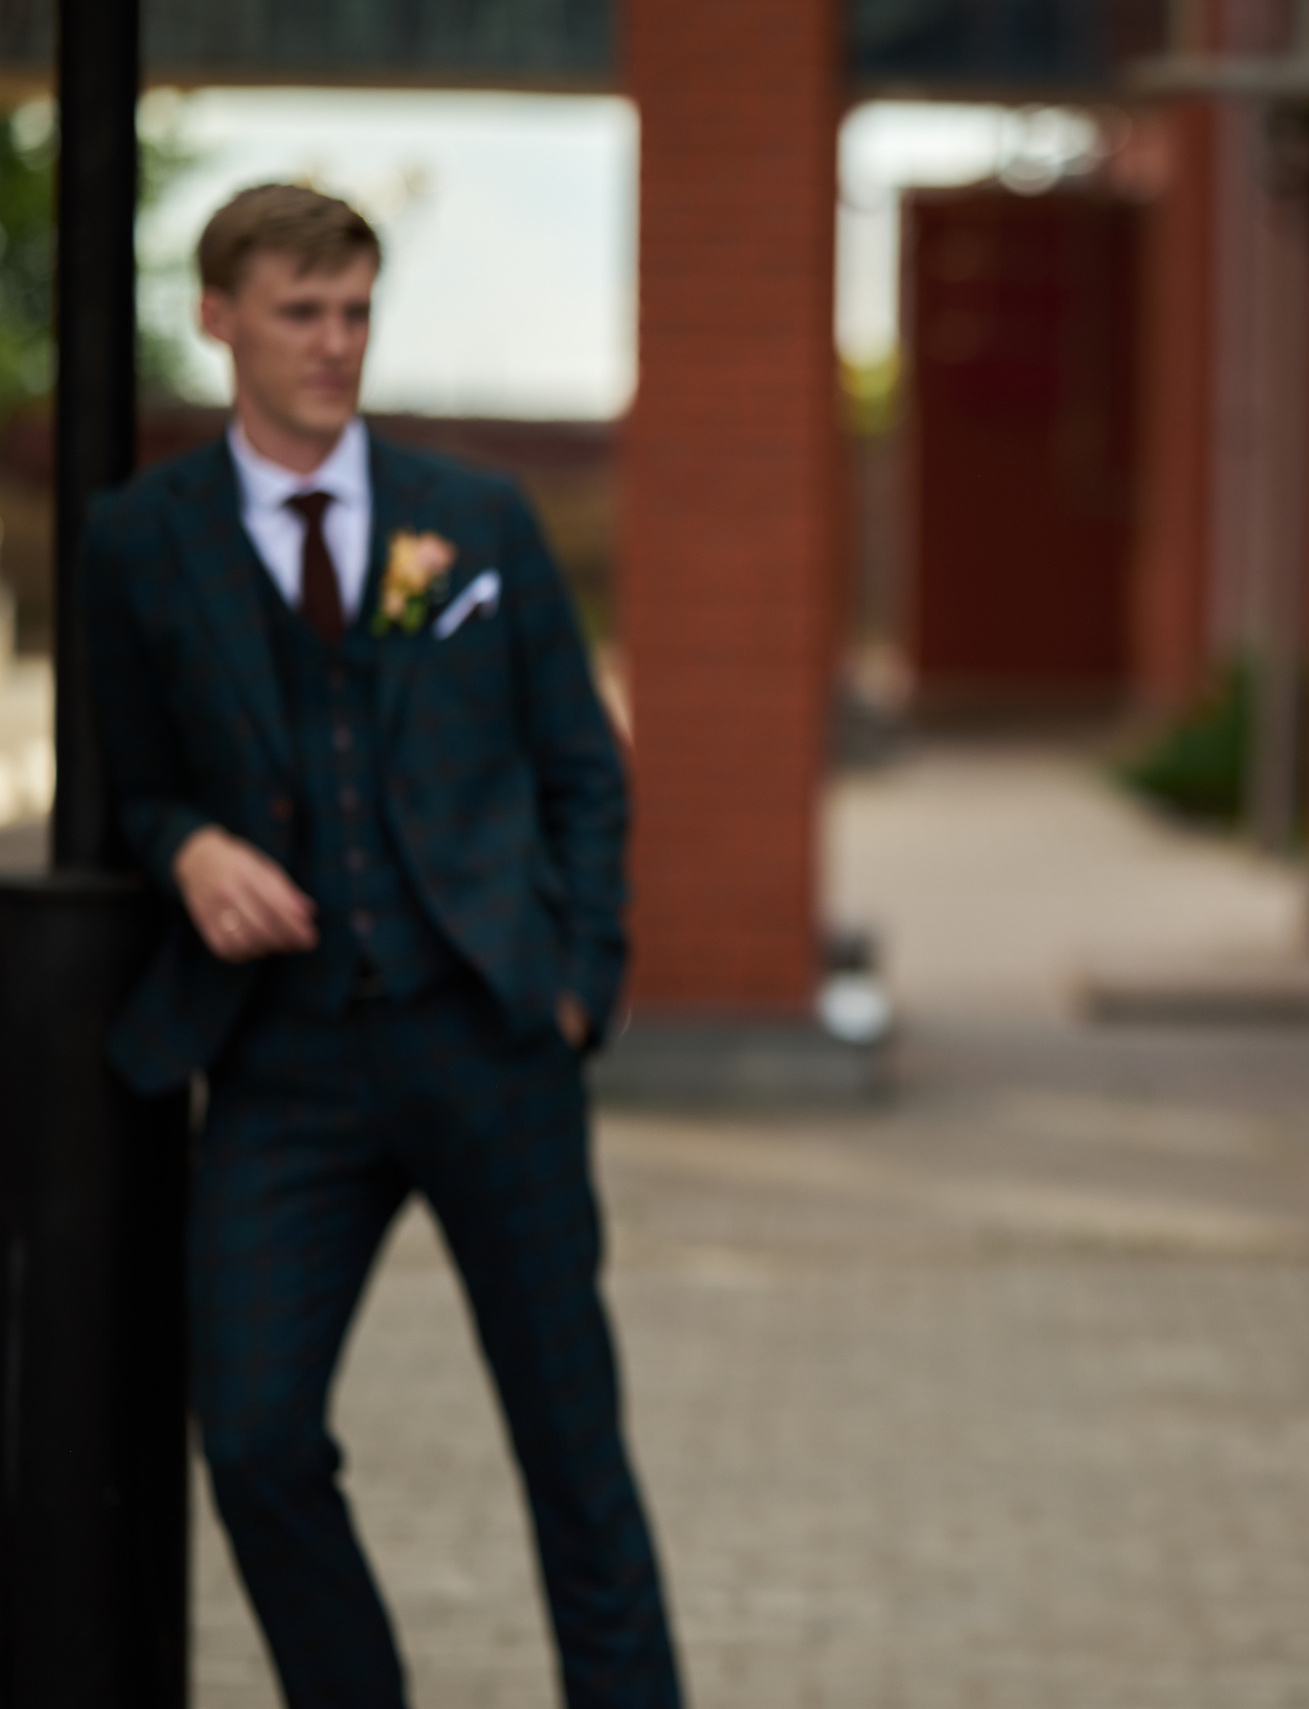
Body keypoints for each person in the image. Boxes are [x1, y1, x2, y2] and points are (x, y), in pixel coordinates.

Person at [83, 184, 682, 1707]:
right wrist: (189, 845)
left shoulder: (473, 519)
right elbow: (129, 784)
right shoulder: (140, 542)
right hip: (281, 1062)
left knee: (573, 1454)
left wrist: (577, 981)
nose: (336, 344)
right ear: (220, 318)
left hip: (490, 1034)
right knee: (260, 1437)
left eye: (355, 312)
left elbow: (581, 765)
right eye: (301, 313)